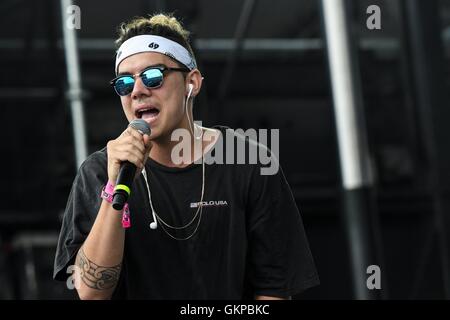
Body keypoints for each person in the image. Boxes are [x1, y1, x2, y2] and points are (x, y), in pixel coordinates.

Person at [53, 13, 319, 300]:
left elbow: (274, 288)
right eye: (124, 83)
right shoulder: (99, 170)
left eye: (153, 76)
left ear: (191, 82)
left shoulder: (247, 161)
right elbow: (91, 293)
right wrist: (113, 188)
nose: (138, 91)